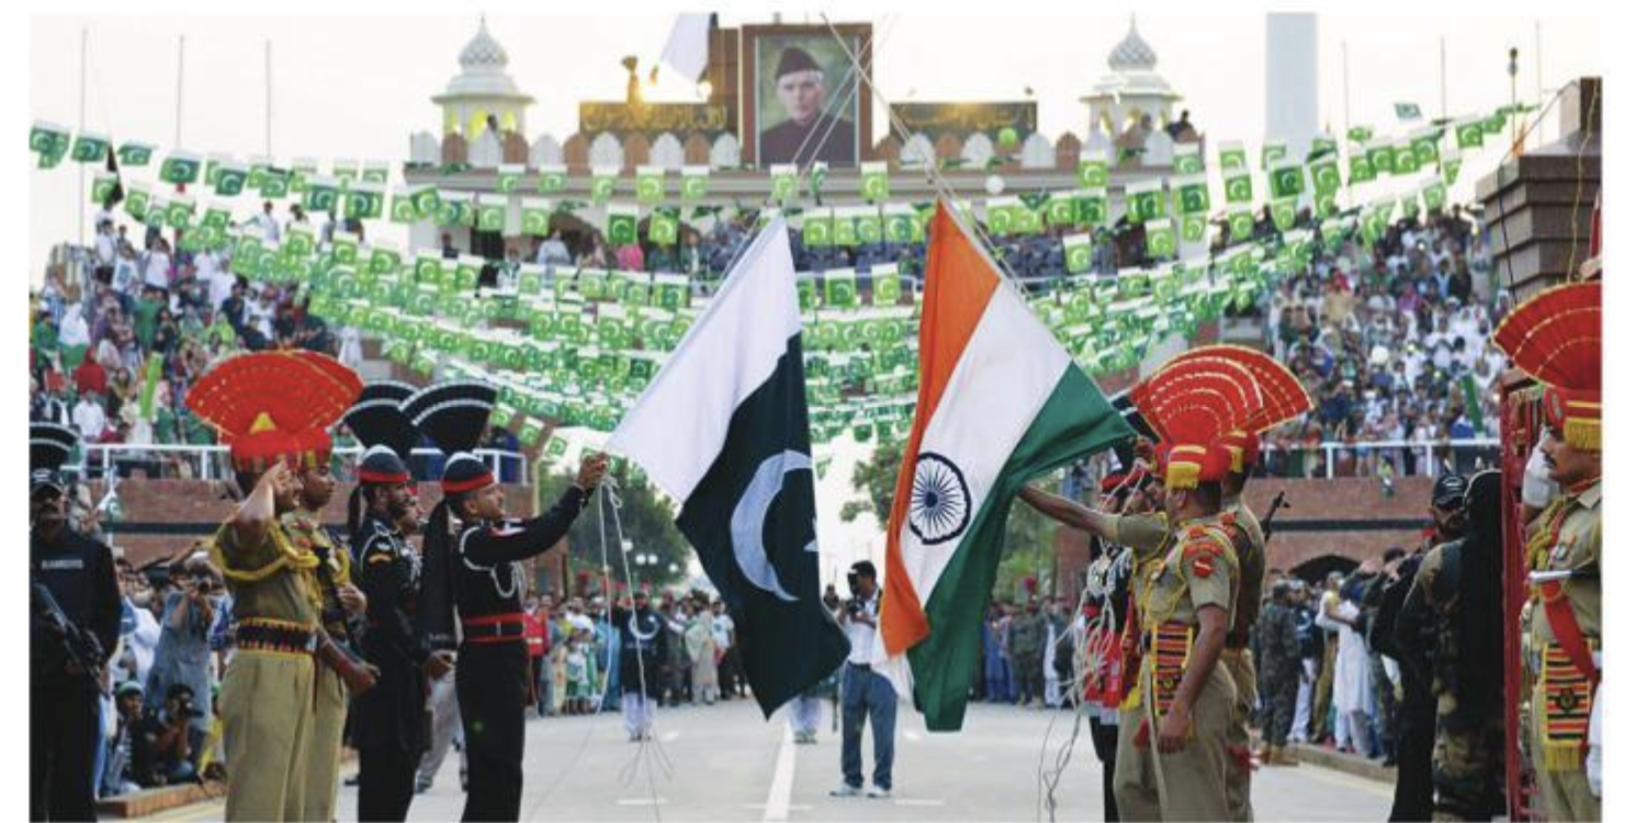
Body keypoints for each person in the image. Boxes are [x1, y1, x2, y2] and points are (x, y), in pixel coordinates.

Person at [414, 379, 608, 822]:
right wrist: (577, 490)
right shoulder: (473, 543)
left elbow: (538, 526)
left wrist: (584, 490)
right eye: (490, 492)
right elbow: (541, 533)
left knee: (504, 768)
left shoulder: (491, 535)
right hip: (487, 661)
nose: (500, 495)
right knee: (494, 768)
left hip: (504, 657)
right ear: (469, 506)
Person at [185, 349, 362, 822]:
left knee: (294, 804)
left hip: (299, 665)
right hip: (264, 665)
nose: (296, 483)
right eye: (286, 475)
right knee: (260, 803)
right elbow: (251, 520)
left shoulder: (289, 529)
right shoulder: (249, 530)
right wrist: (263, 483)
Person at [1021, 442, 1240, 821]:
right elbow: (1085, 519)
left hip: (1188, 682)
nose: (1158, 492)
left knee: (1193, 807)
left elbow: (1215, 628)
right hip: (1154, 674)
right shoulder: (1171, 533)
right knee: (1130, 787)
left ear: (1182, 493)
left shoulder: (1204, 546)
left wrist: (1182, 706)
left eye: (1163, 484)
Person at [1495, 281, 1601, 822]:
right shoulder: (1566, 509)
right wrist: (1536, 496)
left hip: (1593, 703)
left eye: (1556, 435)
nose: (1544, 448)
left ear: (1593, 435)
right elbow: (1530, 551)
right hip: (1554, 699)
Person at [348, 378, 455, 822]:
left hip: (405, 673)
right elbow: (385, 611)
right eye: (397, 488)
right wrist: (423, 653)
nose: (408, 494)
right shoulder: (376, 543)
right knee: (384, 781)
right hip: (385, 673)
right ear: (376, 495)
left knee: (403, 772)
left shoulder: (396, 540)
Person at [1399, 471, 1506, 820]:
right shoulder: (1520, 561)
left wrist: (1436, 676)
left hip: (1458, 702)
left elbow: (1405, 630)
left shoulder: (1441, 562)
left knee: (1454, 803)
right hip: (1507, 702)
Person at [281, 405, 368, 823]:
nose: (331, 480)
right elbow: (301, 601)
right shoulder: (290, 531)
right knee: (306, 773)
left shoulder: (325, 536)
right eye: (321, 471)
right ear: (297, 478)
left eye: (332, 471)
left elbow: (341, 594)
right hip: (309, 660)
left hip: (331, 660)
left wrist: (359, 603)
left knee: (322, 772)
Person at [31, 422, 122, 821]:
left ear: (66, 500)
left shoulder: (93, 554)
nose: (48, 503)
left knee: (73, 786)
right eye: (39, 496)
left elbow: (110, 617)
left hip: (73, 684)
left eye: (54, 495)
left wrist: (94, 654)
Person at [831, 560, 896, 799]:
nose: (854, 584)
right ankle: (852, 779)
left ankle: (882, 782)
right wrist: (843, 613)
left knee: (882, 731)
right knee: (851, 730)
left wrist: (866, 620)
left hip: (881, 672)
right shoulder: (851, 603)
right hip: (853, 671)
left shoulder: (887, 600)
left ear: (869, 578)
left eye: (857, 579)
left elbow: (893, 630)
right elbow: (836, 633)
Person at [758, 46, 856, 165]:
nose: (798, 96)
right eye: (789, 88)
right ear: (779, 94)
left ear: (821, 91)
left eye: (807, 86)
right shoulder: (765, 142)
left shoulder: (849, 135)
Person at [1256, 579, 1302, 767]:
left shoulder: (1265, 612)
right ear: (1285, 595)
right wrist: (1298, 666)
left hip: (1267, 664)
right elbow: (1291, 645)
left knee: (1269, 705)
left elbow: (1257, 640)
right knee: (1284, 706)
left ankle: (1264, 747)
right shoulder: (1286, 614)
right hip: (1283, 666)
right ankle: (1277, 750)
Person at [615, 590, 667, 742]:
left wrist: (663, 662)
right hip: (629, 663)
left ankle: (646, 728)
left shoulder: (656, 617)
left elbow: (663, 642)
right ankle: (632, 730)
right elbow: (609, 617)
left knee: (648, 697)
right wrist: (619, 604)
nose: (639, 601)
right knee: (630, 696)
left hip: (650, 663)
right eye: (635, 598)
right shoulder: (625, 616)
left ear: (647, 599)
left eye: (641, 598)